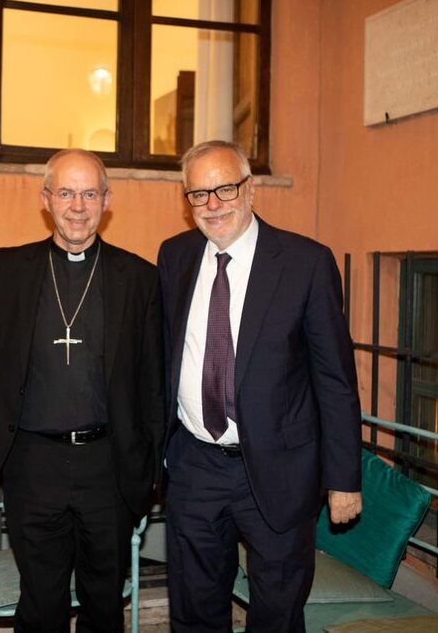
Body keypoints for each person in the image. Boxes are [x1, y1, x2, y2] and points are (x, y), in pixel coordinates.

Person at [157, 140, 363, 632]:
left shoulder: (305, 263)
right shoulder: (175, 256)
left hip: (279, 468)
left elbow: (335, 379)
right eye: (198, 194)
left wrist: (343, 479)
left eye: (224, 188)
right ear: (187, 202)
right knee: (195, 608)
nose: (213, 204)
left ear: (249, 189)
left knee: (277, 610)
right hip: (194, 465)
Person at [0, 148, 165, 632]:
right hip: (33, 464)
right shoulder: (9, 270)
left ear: (107, 200)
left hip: (109, 464)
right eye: (65, 192)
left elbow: (154, 382)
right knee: (40, 602)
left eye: (89, 193)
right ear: (45, 199)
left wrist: (152, 464)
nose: (77, 206)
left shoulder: (138, 278)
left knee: (104, 601)